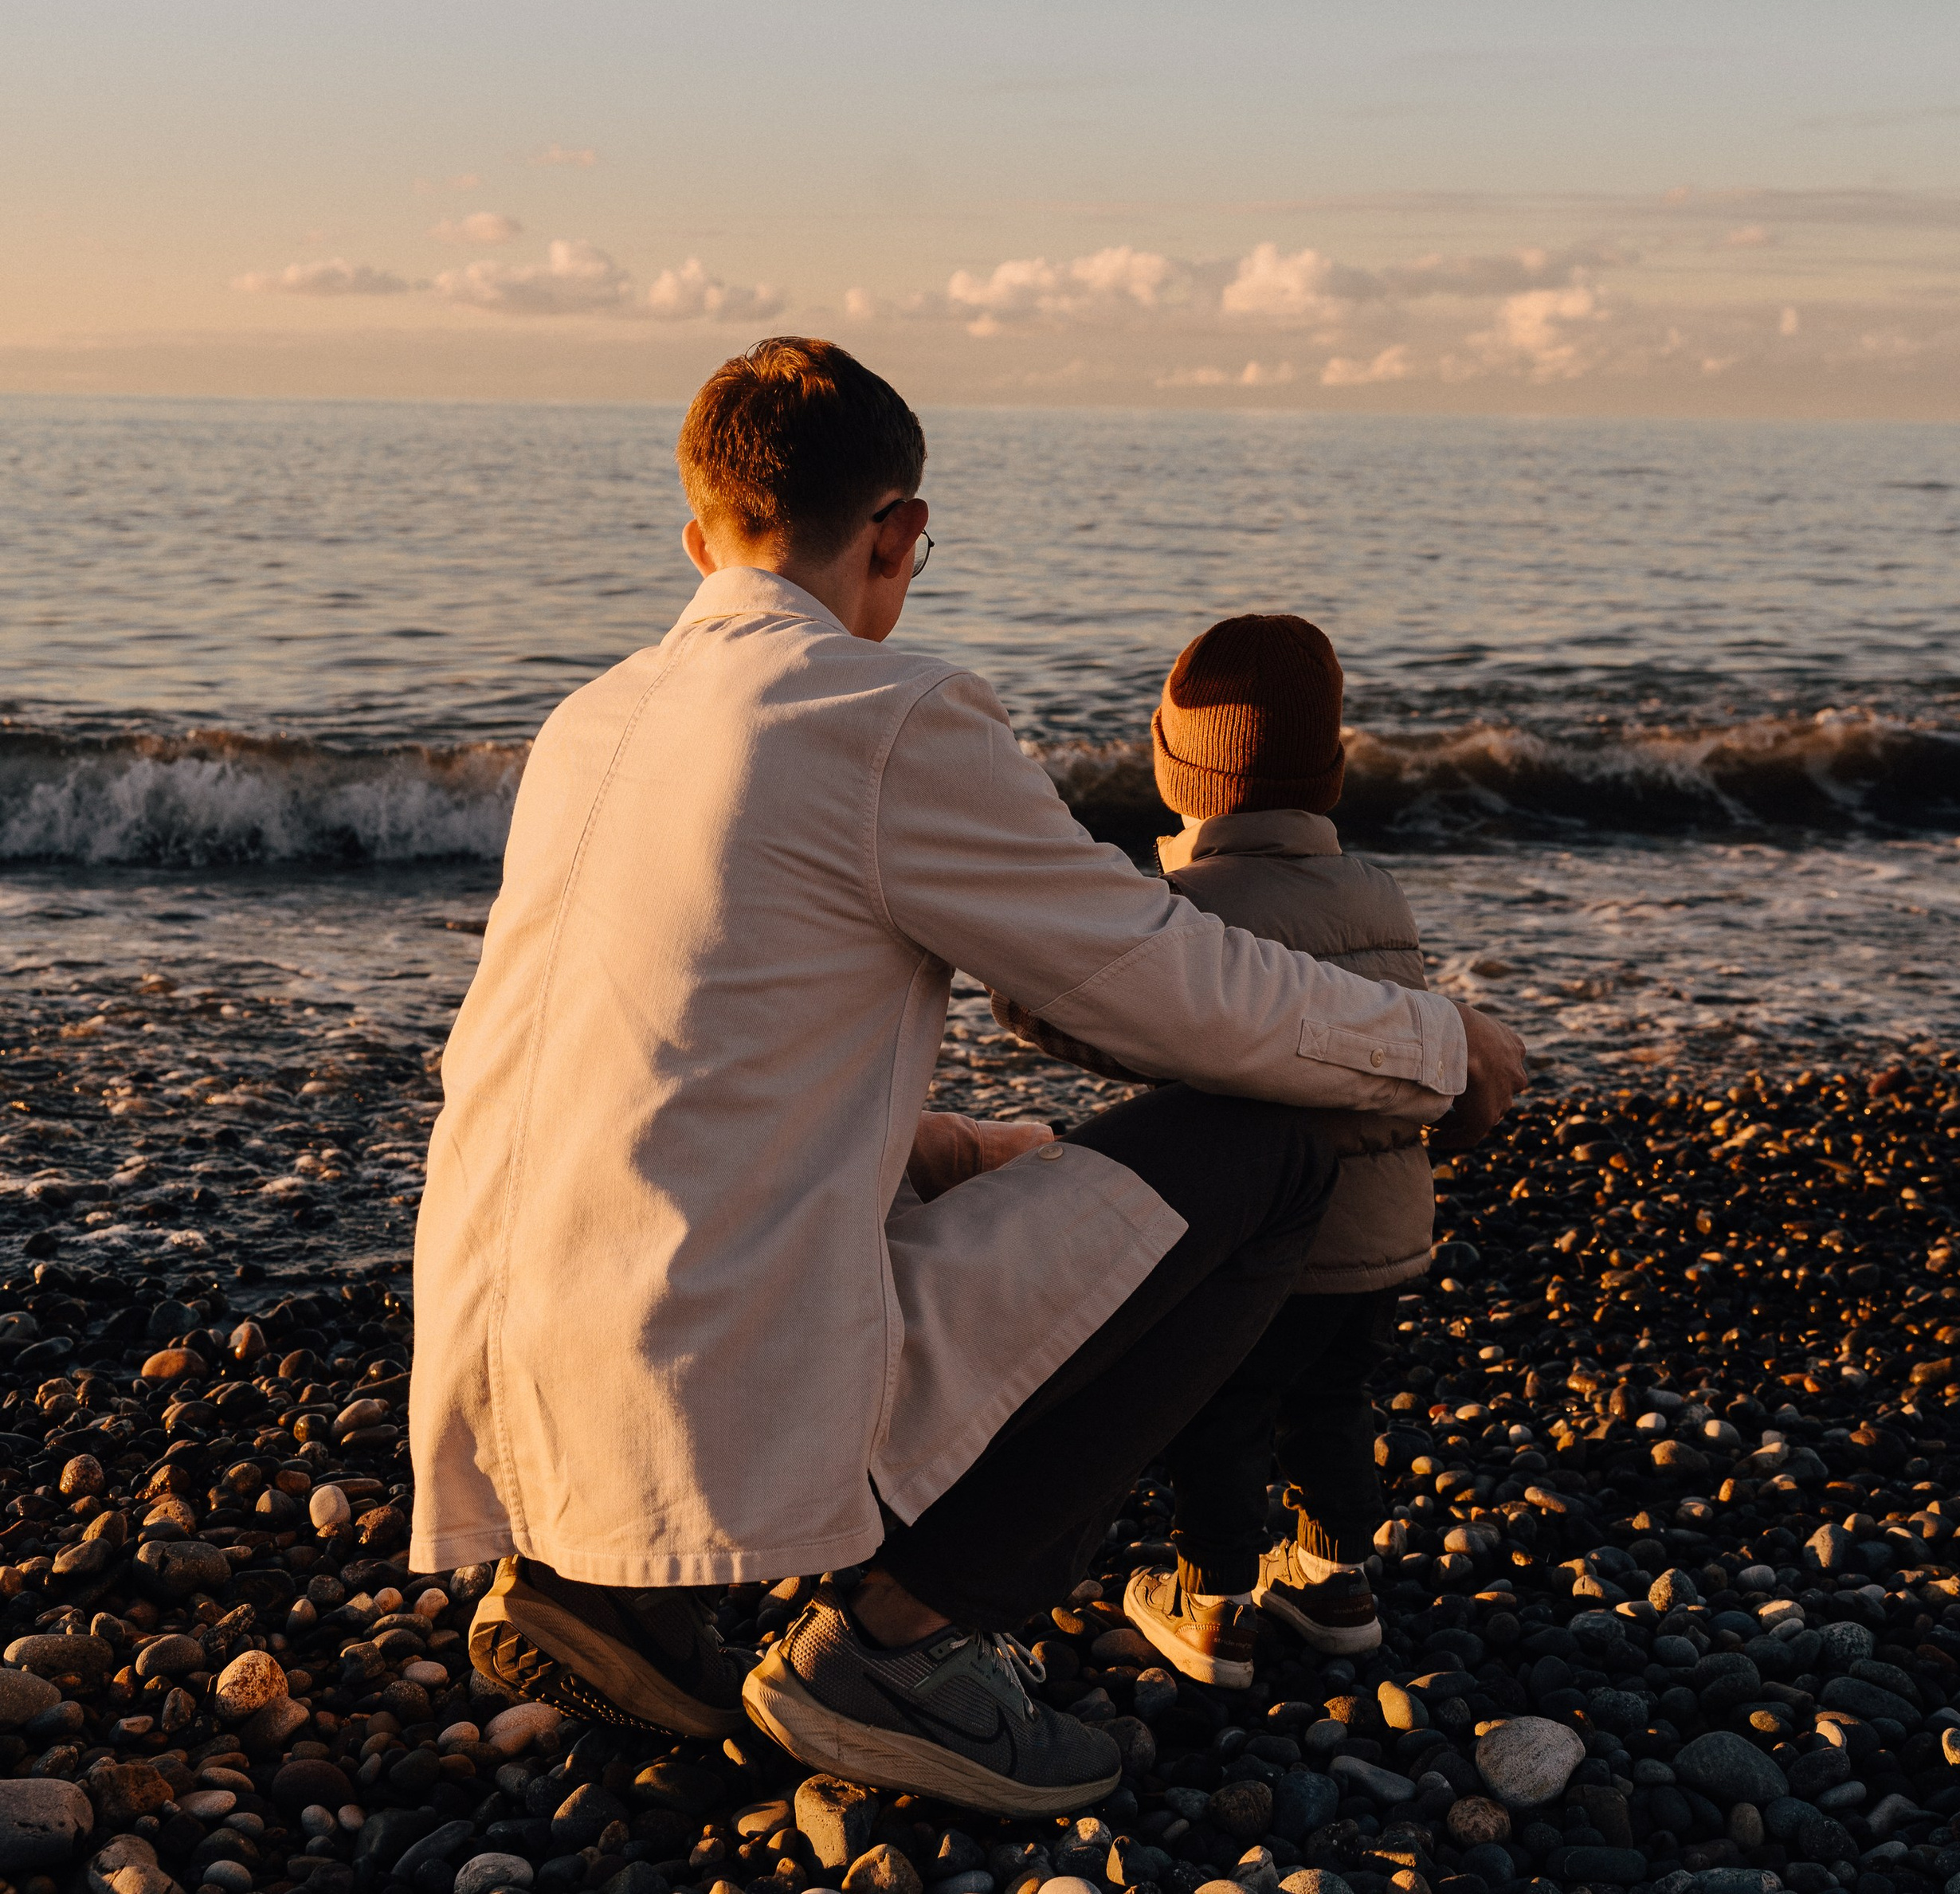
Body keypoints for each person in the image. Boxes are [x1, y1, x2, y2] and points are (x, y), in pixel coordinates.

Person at [408, 339, 1527, 1817]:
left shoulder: (589, 723)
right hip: (705, 1377)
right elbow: (1165, 986)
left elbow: (642, 1063)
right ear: (898, 534)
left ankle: (616, 1589)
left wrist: (945, 1151)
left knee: (1026, 1178)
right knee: (1270, 1158)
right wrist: (1442, 1048)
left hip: (515, 1380)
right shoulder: (882, 716)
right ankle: (901, 1642)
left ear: (699, 539)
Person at [994, 612, 1458, 1692]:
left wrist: (1009, 977)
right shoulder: (1375, 892)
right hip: (1386, 1234)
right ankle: (1337, 1585)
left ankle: (1214, 1609)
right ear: (1333, 768)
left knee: (1223, 1408)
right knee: (1333, 1403)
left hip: (1264, 1245)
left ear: (1176, 770)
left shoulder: (1193, 909)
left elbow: (1083, 1017)